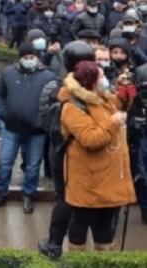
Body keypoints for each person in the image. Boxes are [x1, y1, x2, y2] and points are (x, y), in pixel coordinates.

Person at [61, 61, 135, 252]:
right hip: (87, 179)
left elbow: (124, 104)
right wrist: (113, 123)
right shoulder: (72, 106)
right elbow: (90, 139)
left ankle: (104, 261)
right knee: (80, 223)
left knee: (105, 225)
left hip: (107, 177)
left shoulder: (104, 97)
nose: (104, 80)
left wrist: (123, 86)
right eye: (100, 77)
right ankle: (78, 262)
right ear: (90, 81)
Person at [37, 41, 95, 259]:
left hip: (63, 149)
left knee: (66, 198)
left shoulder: (55, 87)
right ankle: (57, 243)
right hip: (68, 149)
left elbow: (43, 121)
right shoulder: (61, 89)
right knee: (70, 198)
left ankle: (55, 243)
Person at [0, 41, 55, 214]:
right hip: (12, 128)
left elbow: (53, 101)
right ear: (20, 58)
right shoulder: (9, 73)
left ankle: (28, 195)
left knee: (33, 165)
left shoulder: (47, 76)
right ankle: (0, 193)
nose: (29, 60)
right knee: (4, 162)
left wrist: (44, 121)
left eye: (32, 57)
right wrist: (2, 113)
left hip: (37, 131)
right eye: (26, 57)